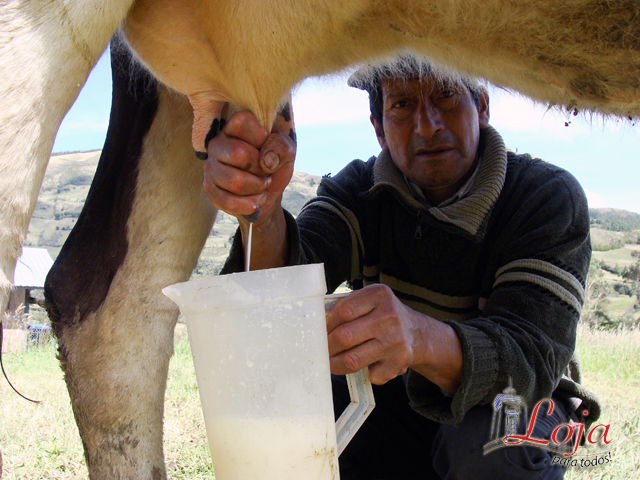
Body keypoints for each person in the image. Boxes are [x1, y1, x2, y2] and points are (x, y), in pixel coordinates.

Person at [203, 55, 600, 479]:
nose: (427, 126)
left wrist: (418, 335)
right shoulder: (358, 191)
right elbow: (282, 291)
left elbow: (530, 362)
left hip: (520, 404)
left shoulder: (545, 197)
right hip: (396, 399)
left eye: (446, 94)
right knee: (302, 400)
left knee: (485, 443)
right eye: (402, 105)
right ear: (378, 129)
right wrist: (262, 213)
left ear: (482, 106)